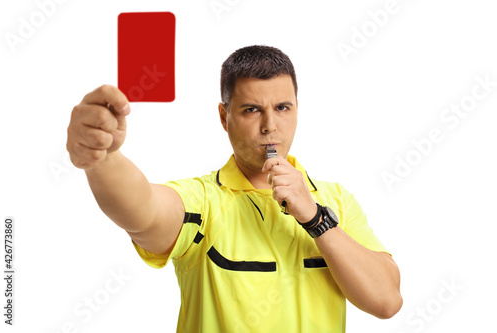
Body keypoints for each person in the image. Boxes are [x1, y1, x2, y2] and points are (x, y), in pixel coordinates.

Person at [67, 45, 402, 332]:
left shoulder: (337, 201)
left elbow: (387, 301)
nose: (270, 126)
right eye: (252, 110)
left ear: (297, 109)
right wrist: (103, 158)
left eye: (282, 108)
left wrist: (315, 218)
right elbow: (144, 211)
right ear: (224, 116)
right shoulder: (205, 201)